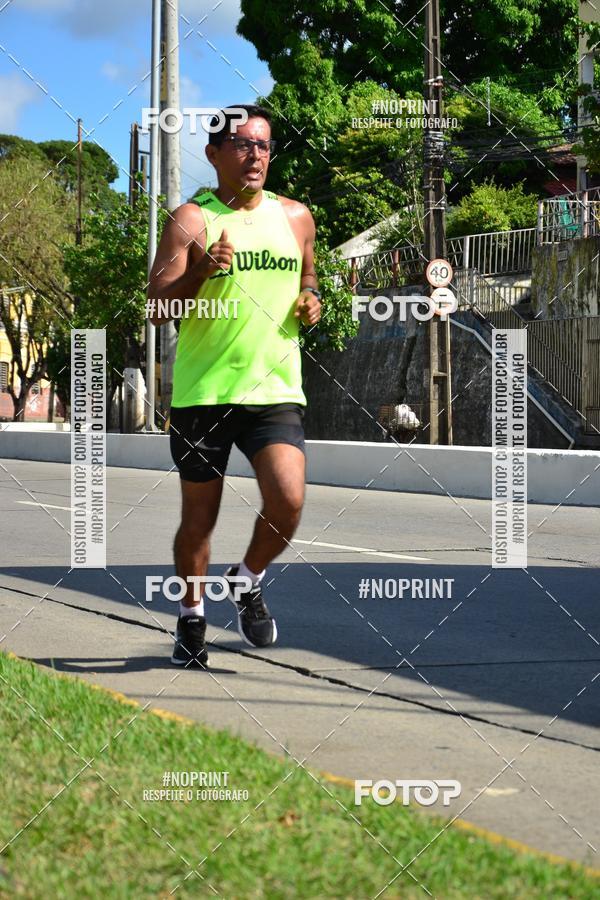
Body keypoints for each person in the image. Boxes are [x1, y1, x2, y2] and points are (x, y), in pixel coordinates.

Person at [148, 104, 322, 668]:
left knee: (288, 500)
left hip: (274, 390)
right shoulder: (191, 220)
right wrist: (199, 272)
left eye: (264, 145)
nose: (256, 155)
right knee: (199, 520)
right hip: (204, 394)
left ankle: (246, 579)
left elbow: (309, 274)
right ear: (214, 154)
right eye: (243, 145)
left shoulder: (296, 216)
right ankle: (191, 617)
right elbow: (156, 307)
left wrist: (311, 297)